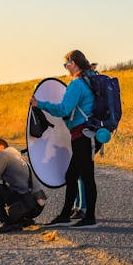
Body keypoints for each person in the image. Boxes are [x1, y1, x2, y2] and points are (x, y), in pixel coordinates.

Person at [31, 49, 100, 228]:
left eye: (66, 64)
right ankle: (65, 215)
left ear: (73, 63)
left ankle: (89, 218)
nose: (65, 68)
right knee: (73, 175)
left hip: (83, 135)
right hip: (89, 134)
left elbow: (64, 109)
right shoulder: (89, 80)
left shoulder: (77, 84)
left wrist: (40, 104)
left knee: (85, 176)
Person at [0, 137, 47, 233]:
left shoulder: (3, 156)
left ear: (1, 148)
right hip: (35, 203)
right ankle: (22, 219)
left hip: (31, 203)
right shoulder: (12, 156)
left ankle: (11, 223)